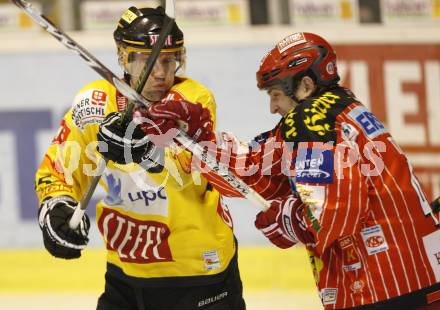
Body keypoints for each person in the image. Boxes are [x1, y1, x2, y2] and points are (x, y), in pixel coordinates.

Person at [147, 32, 440, 309]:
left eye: (275, 94)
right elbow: (252, 168)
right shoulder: (337, 110)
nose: (273, 107)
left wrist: (287, 217)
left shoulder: (312, 120)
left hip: (389, 288)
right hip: (408, 280)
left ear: (306, 86)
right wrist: (195, 134)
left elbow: (333, 213)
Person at [35, 6, 246, 310]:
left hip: (200, 274)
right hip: (124, 274)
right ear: (123, 57)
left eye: (169, 59)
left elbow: (180, 153)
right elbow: (57, 170)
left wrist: (142, 141)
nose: (161, 72)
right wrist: (55, 207)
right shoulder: (94, 102)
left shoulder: (193, 98)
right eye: (148, 60)